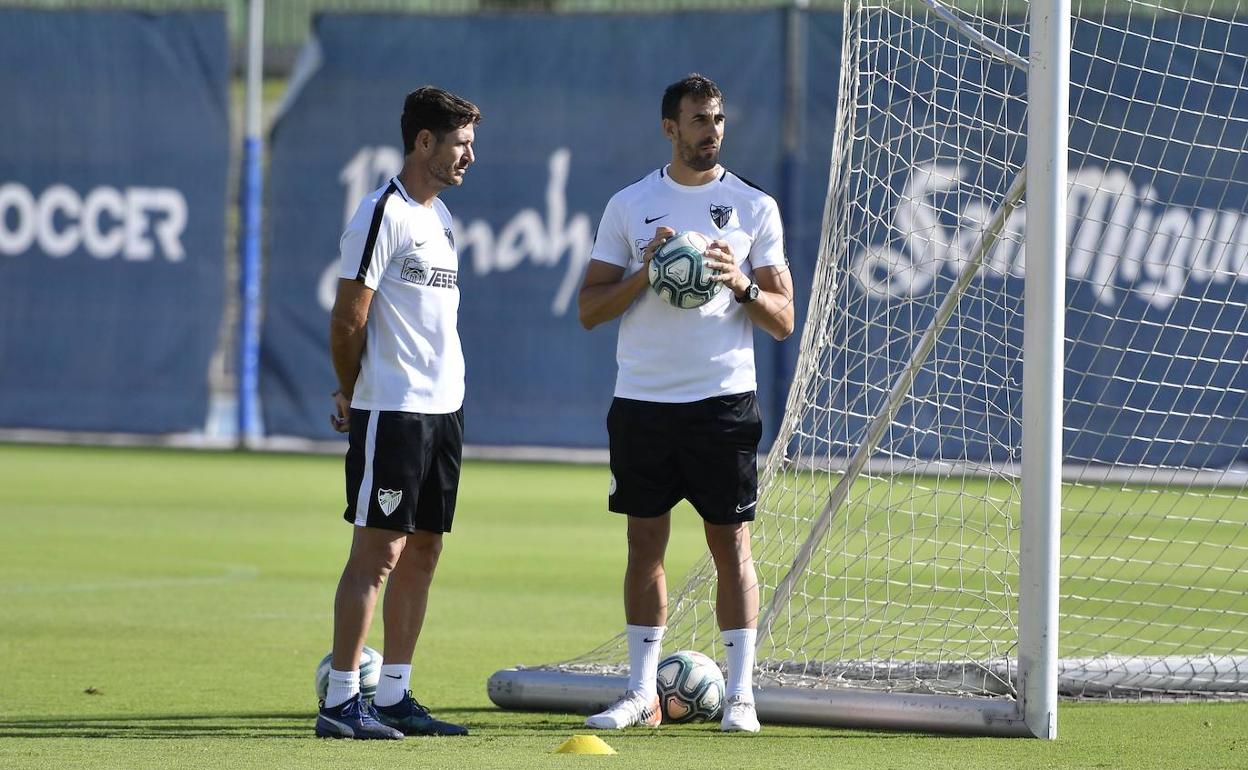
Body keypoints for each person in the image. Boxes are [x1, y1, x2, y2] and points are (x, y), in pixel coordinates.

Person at [577, 73, 795, 734]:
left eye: (718, 120)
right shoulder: (630, 204)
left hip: (722, 403)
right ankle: (642, 692)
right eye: (698, 121)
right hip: (642, 400)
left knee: (731, 544)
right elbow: (590, 309)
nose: (711, 132)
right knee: (644, 541)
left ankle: (741, 697)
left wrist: (739, 284)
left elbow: (784, 320)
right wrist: (647, 271)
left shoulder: (753, 207)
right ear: (670, 127)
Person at [315, 86, 480, 740]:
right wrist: (351, 390)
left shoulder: (440, 219)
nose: (471, 156)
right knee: (377, 554)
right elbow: (347, 316)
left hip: (445, 412)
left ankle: (394, 694)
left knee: (426, 549)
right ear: (423, 143)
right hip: (395, 411)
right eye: (461, 144)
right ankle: (339, 700)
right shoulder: (383, 212)